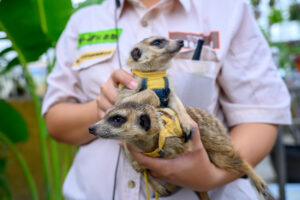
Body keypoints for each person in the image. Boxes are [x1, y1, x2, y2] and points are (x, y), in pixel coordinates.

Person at [42, 0, 291, 199]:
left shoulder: (227, 10)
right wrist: (106, 108)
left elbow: (262, 113)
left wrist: (210, 176)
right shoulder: (83, 21)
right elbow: (55, 121)